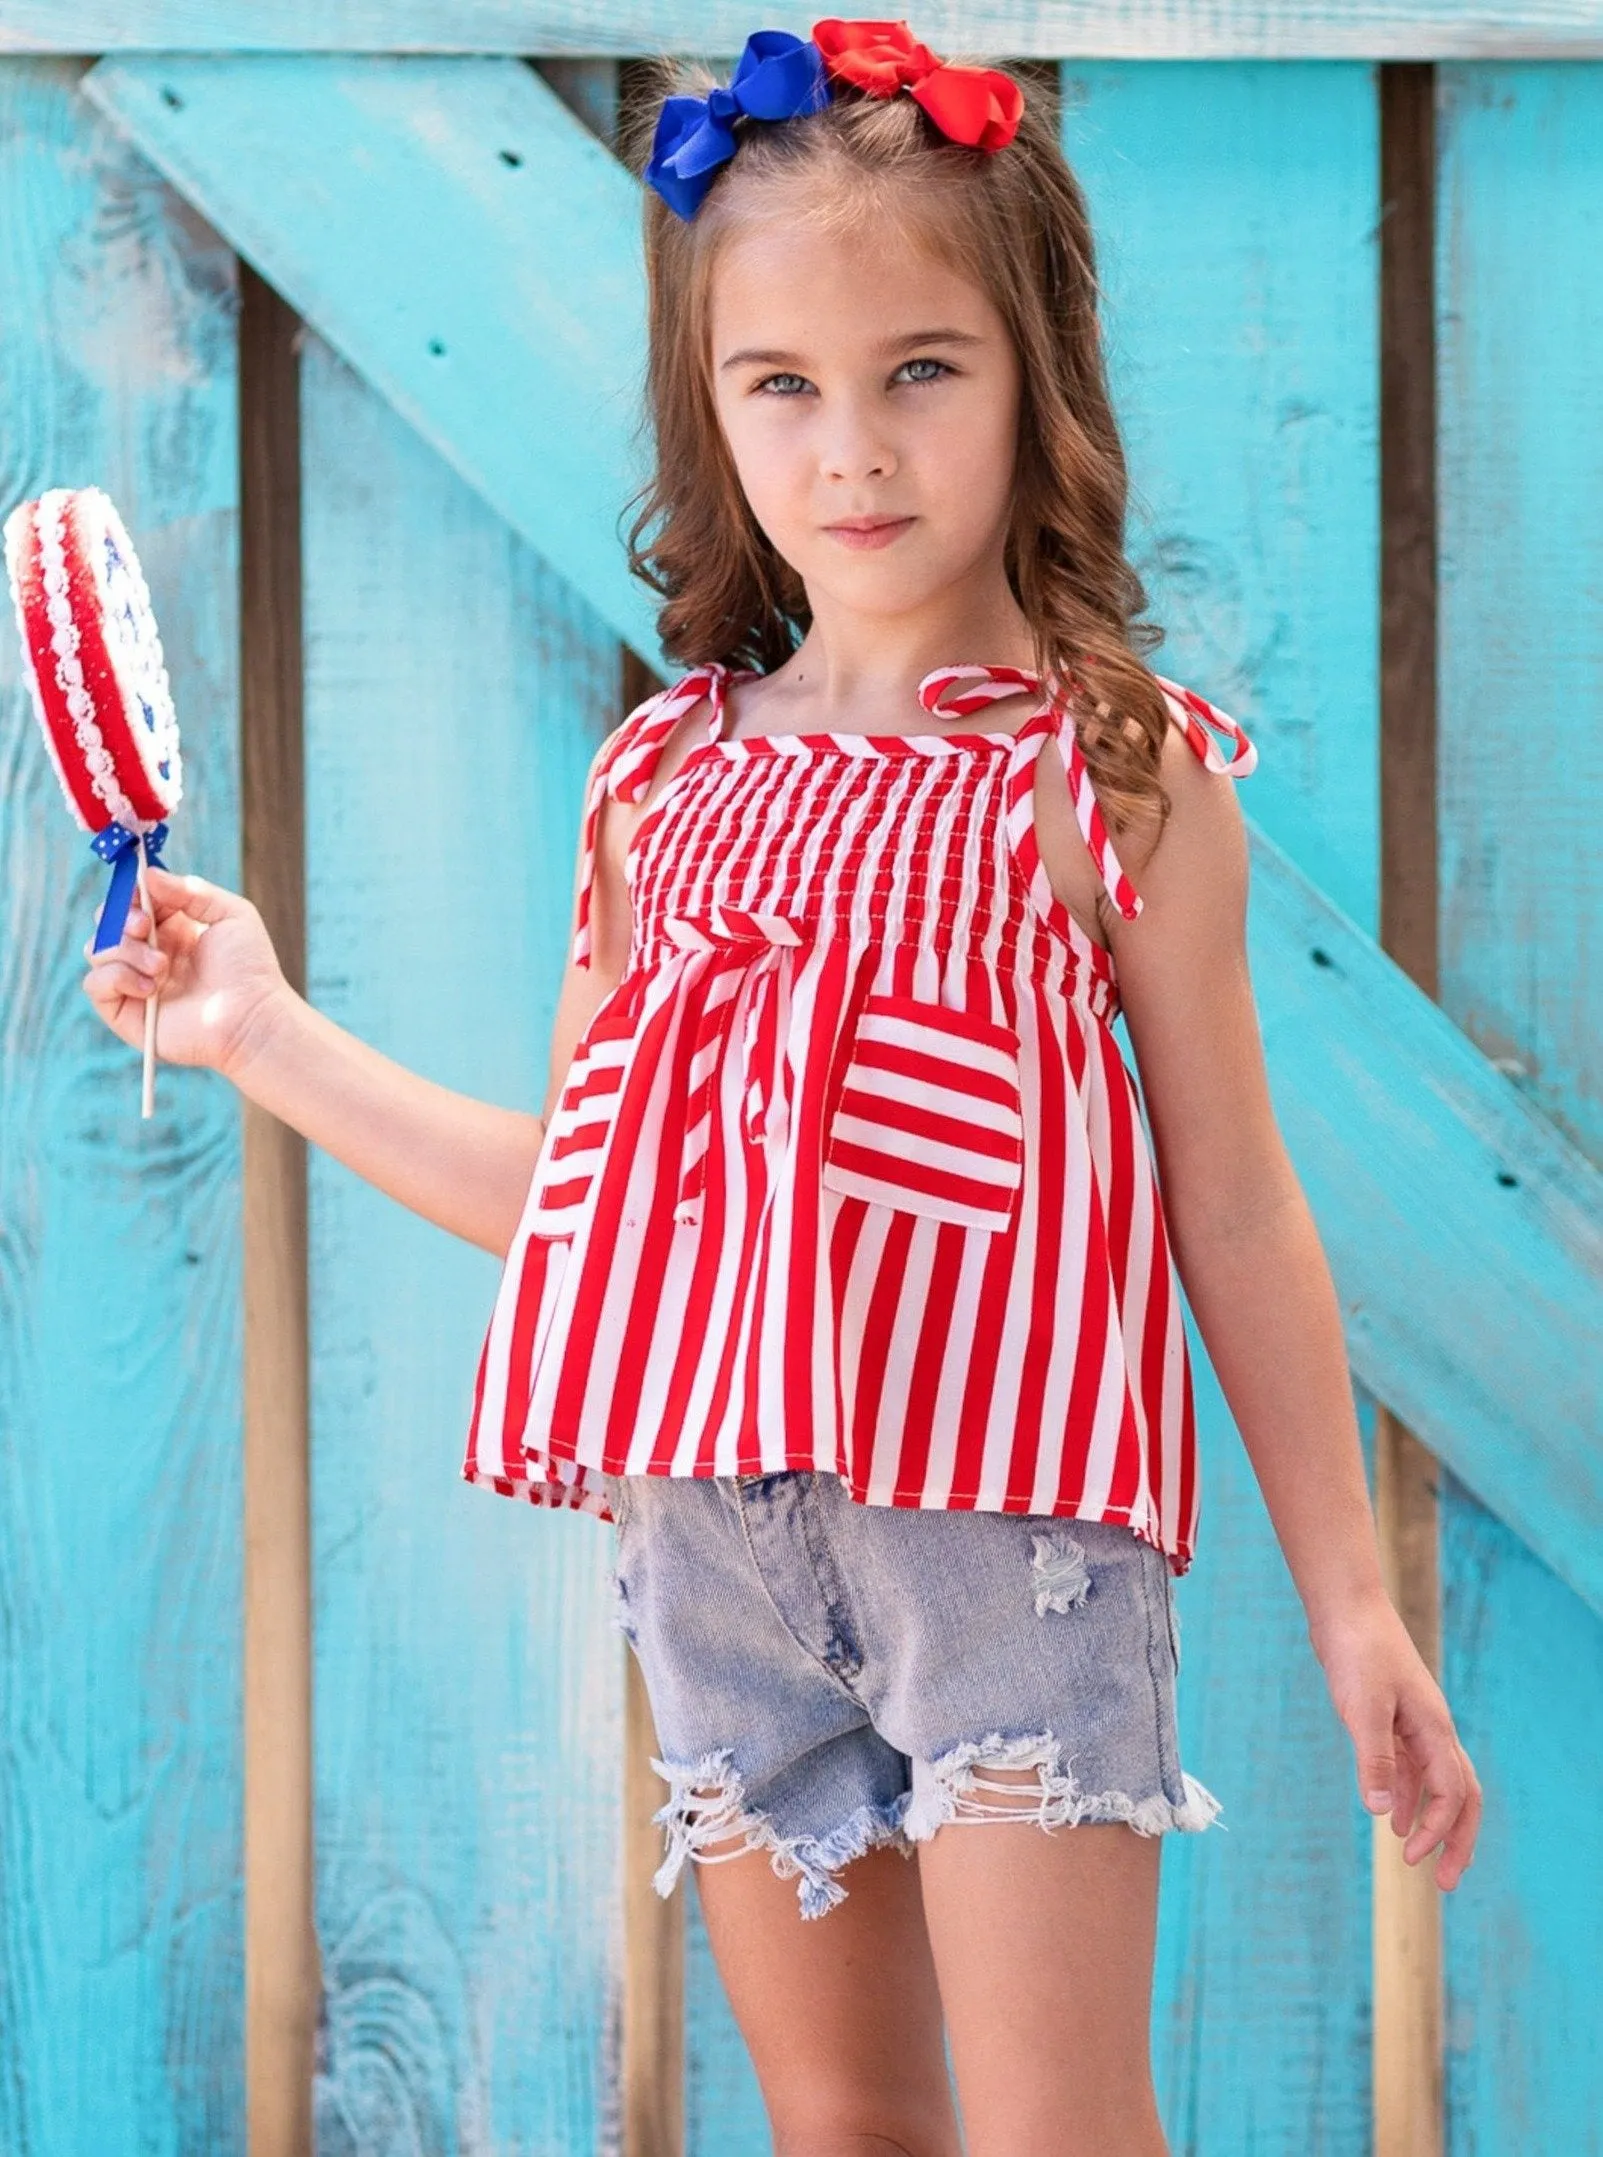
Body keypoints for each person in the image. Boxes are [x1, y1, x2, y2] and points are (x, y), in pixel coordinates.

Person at [84, 20, 1481, 2154]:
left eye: (923, 370)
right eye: (783, 388)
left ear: (1033, 375)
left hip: (1013, 1561)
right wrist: (264, 1030)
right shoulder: (662, 786)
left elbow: (1239, 1204)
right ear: (712, 404)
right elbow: (584, 1197)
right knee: (843, 2125)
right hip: (713, 1559)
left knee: (1055, 2125)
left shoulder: (1112, 780)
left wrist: (1353, 1594)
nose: (855, 450)